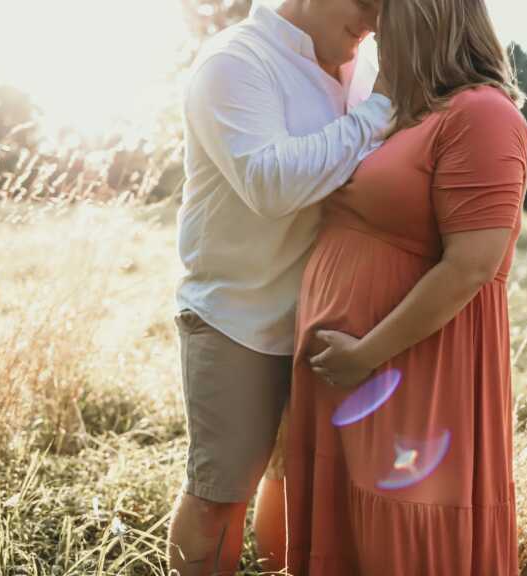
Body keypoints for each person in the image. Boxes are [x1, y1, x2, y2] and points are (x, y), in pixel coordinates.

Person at [284, 0, 527, 573]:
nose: (371, 30)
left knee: (402, 536)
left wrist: (366, 353)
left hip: (412, 374)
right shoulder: (412, 115)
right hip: (356, 375)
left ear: (422, 20)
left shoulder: (483, 115)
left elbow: (472, 265)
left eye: (382, 16)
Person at [168, 1, 393, 574]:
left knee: (296, 484)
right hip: (237, 318)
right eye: (366, 1)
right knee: (220, 495)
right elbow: (271, 184)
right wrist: (382, 111)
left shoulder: (365, 64)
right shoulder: (236, 61)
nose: (375, 18)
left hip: (325, 323)